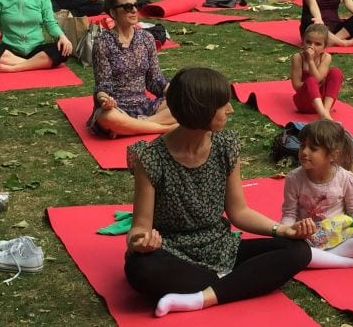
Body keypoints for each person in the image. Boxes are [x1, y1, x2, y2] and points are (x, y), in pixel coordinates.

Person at [124, 66, 312, 317]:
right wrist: (140, 242)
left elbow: (239, 212)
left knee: (298, 250)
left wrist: (282, 230)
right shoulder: (150, 158)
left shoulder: (225, 146)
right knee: (140, 269)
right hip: (172, 252)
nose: (230, 109)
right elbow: (140, 227)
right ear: (200, 110)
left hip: (221, 247)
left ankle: (203, 297)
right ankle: (233, 283)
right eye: (223, 104)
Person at [281, 119, 353, 269]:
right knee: (286, 250)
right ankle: (352, 261)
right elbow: (289, 213)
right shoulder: (294, 178)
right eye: (302, 146)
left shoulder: (345, 178)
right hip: (307, 238)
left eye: (313, 148)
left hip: (340, 235)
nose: (304, 152)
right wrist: (286, 231)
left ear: (332, 155)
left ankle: (322, 259)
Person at [88, 0, 177, 138]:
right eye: (128, 7)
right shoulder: (102, 42)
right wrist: (104, 100)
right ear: (113, 12)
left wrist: (177, 93)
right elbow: (103, 84)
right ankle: (164, 128)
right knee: (107, 117)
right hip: (117, 108)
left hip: (144, 106)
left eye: (136, 5)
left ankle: (130, 127)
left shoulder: (147, 38)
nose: (134, 10)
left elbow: (155, 80)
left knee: (186, 104)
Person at [290, 24, 343, 120]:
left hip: (322, 102)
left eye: (317, 44)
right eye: (308, 42)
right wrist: (310, 61)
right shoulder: (298, 57)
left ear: (324, 46)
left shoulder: (326, 57)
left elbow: (318, 79)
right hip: (304, 102)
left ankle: (325, 111)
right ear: (303, 41)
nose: (312, 46)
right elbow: (297, 85)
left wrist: (311, 62)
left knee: (336, 72)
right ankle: (323, 115)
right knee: (311, 80)